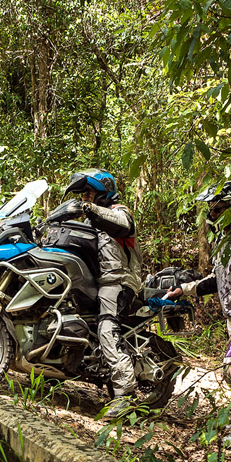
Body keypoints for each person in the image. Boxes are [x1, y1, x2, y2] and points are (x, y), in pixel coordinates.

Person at [166, 181, 231, 441]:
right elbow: (218, 279)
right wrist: (185, 289)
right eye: (211, 209)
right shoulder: (226, 239)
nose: (213, 214)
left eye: (219, 208)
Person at [63, 169, 143, 420]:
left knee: (107, 329)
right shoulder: (91, 221)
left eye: (89, 193)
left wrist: (89, 209)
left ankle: (126, 396)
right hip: (94, 282)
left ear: (103, 191)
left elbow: (122, 224)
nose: (85, 198)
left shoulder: (120, 212)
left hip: (118, 280)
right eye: (83, 195)